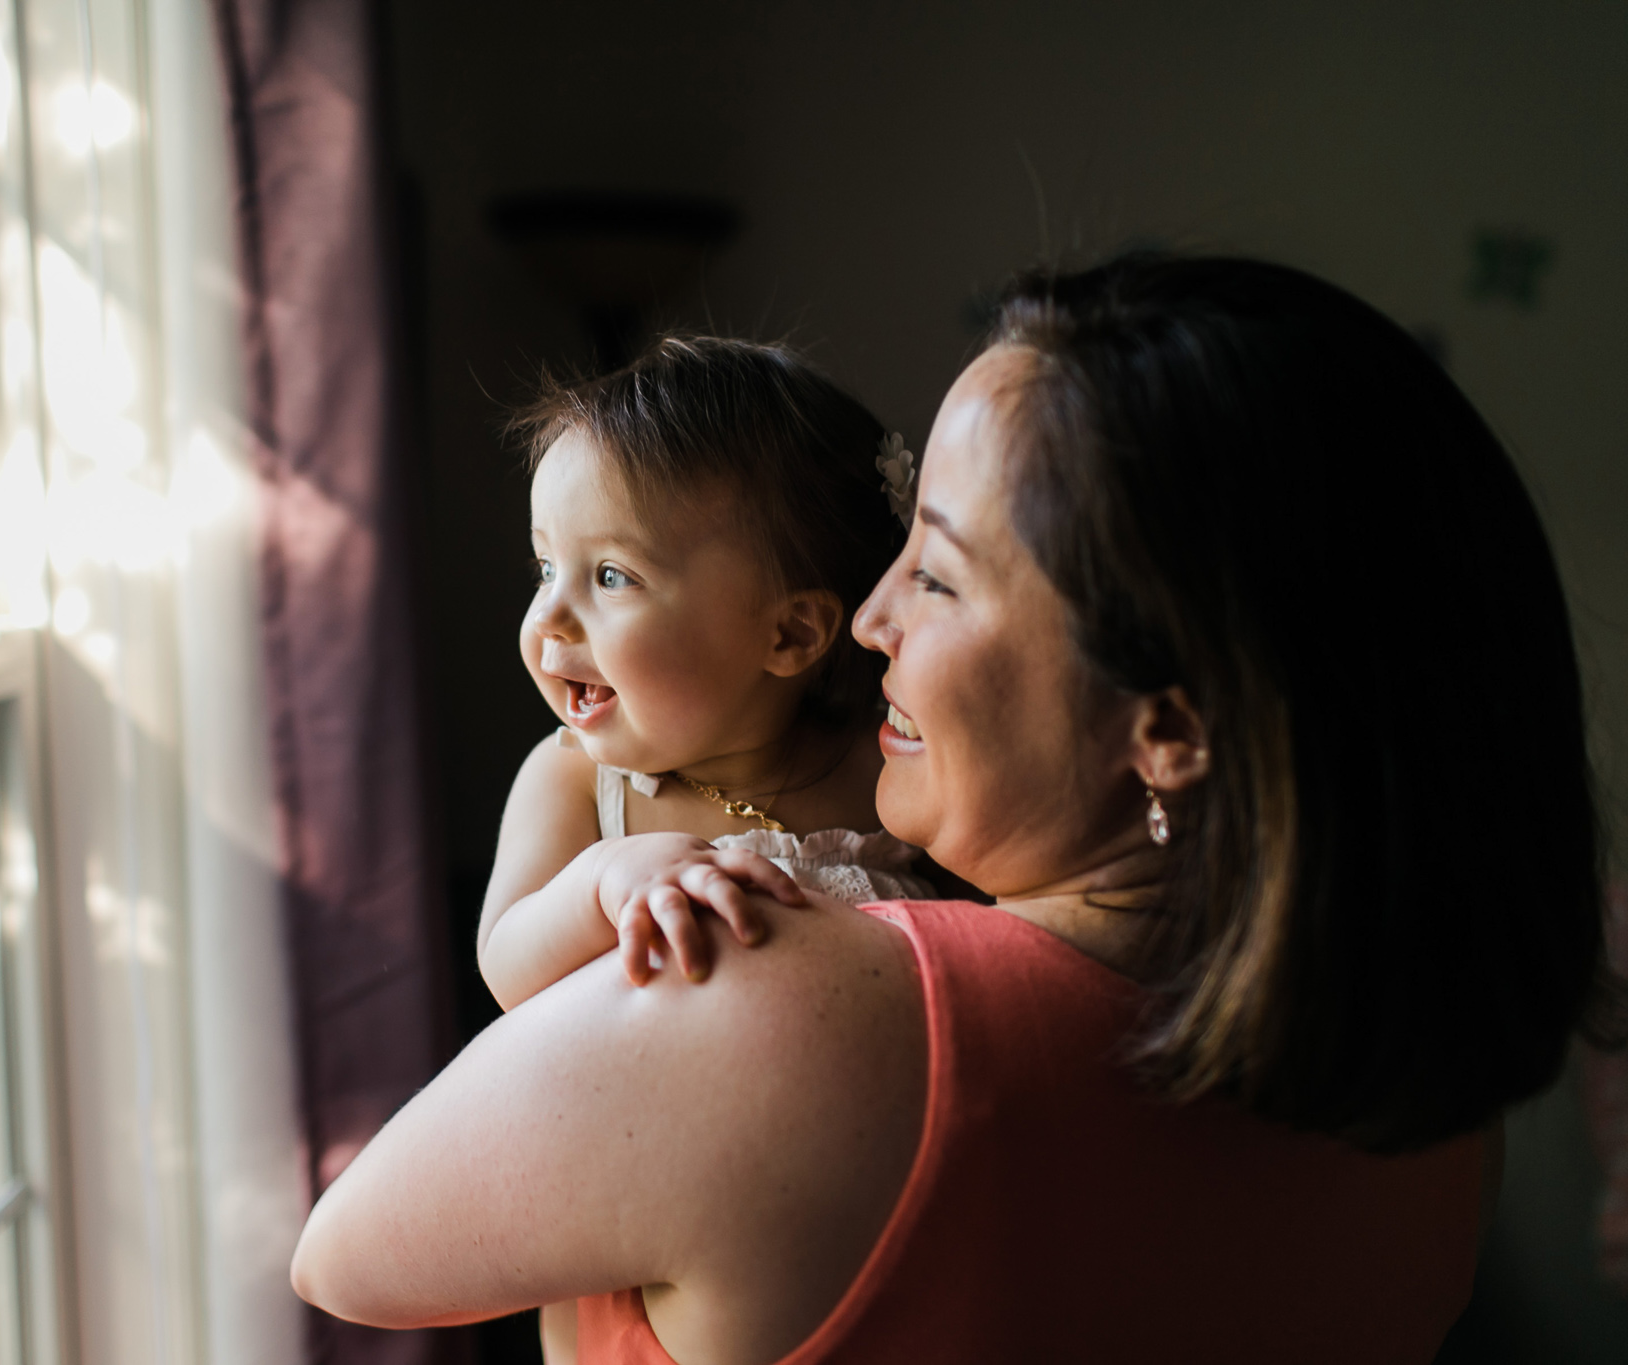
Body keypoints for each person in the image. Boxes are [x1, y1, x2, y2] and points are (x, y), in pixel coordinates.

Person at [291, 255, 1619, 1364]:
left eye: (934, 575)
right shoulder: (1434, 1123)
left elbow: (348, 1254)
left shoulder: (779, 1007)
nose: (869, 622)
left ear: (1166, 728)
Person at [480, 337, 934, 1360]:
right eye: (544, 565)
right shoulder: (577, 785)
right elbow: (506, 963)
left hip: (852, 1224)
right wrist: (605, 882)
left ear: (788, 637)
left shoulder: (878, 776)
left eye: (608, 576)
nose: (549, 617)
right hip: (637, 1249)